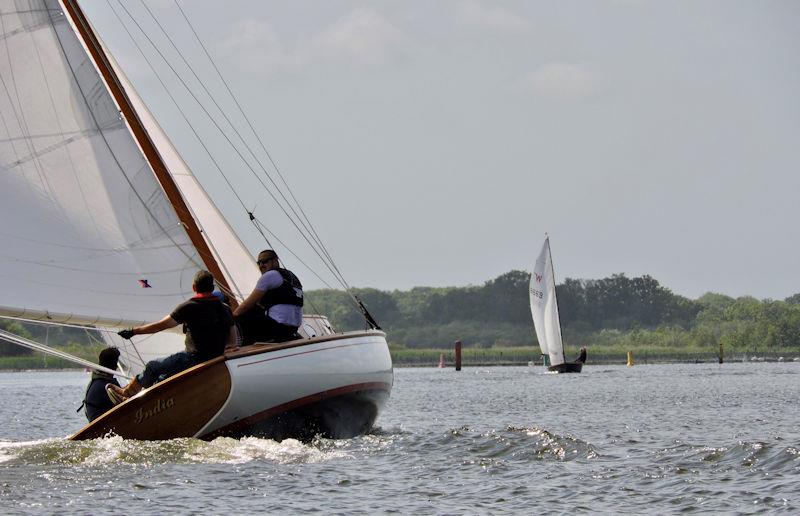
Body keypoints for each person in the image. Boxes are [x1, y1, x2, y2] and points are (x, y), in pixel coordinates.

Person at [108, 270, 237, 404]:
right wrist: (230, 346)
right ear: (212, 287)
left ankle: (127, 394)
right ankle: (143, 403)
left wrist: (133, 331)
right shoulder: (223, 307)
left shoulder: (189, 307)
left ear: (194, 287)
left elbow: (160, 325)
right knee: (163, 378)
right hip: (215, 357)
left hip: (194, 358)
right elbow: (231, 330)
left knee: (152, 367)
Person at [233, 249, 303, 345]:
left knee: (242, 316)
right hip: (292, 329)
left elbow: (246, 305)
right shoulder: (291, 276)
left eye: (265, 261)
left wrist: (232, 317)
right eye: (259, 263)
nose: (261, 265)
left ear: (275, 261)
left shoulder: (270, 275)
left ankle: (238, 348)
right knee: (255, 310)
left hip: (277, 327)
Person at [79, 346, 121, 421]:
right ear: (113, 364)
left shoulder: (97, 380)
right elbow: (124, 404)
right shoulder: (106, 385)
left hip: (99, 423)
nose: (117, 366)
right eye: (116, 362)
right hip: (102, 425)